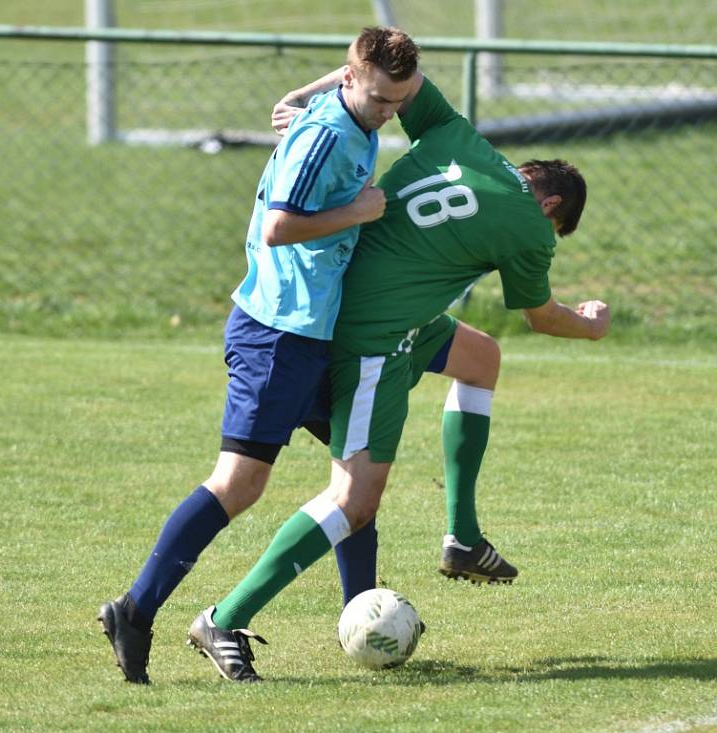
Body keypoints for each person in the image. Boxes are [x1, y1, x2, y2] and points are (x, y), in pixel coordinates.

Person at [186, 71, 610, 682]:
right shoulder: (528, 229)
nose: (548, 239)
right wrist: (591, 324)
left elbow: (391, 62)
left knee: (480, 357)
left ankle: (462, 537)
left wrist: (308, 98)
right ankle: (224, 618)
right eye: (555, 231)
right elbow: (542, 317)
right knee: (353, 499)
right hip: (373, 337)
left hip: (374, 304)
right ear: (549, 207)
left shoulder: (458, 137)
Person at [97, 27, 421, 685]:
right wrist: (360, 209)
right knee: (240, 483)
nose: (390, 112)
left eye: (400, 100)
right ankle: (136, 608)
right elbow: (279, 225)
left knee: (358, 481)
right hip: (278, 335)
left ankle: (362, 619)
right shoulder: (326, 135)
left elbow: (334, 92)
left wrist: (301, 93)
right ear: (356, 77)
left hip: (312, 333)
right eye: (382, 99)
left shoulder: (349, 105)